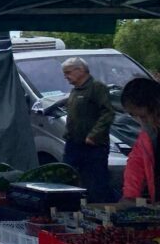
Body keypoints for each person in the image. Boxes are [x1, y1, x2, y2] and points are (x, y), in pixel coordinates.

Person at [61, 56, 115, 203]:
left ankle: (102, 211)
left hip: (93, 146)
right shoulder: (75, 91)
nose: (66, 76)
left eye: (68, 72)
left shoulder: (97, 87)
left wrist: (94, 135)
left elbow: (108, 112)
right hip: (73, 144)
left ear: (81, 70)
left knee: (96, 183)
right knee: (67, 178)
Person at [121, 76, 160, 202]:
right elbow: (136, 164)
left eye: (143, 116)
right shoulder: (147, 135)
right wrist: (130, 196)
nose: (141, 122)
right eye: (134, 116)